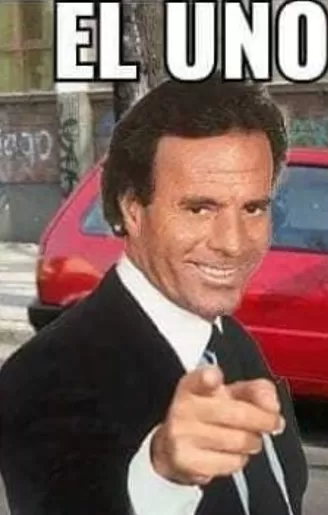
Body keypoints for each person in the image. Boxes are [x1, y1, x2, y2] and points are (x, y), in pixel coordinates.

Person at [0, 76, 308, 515]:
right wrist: (161, 475)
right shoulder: (42, 376)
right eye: (199, 209)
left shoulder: (232, 342)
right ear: (132, 210)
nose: (234, 243)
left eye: (253, 208)